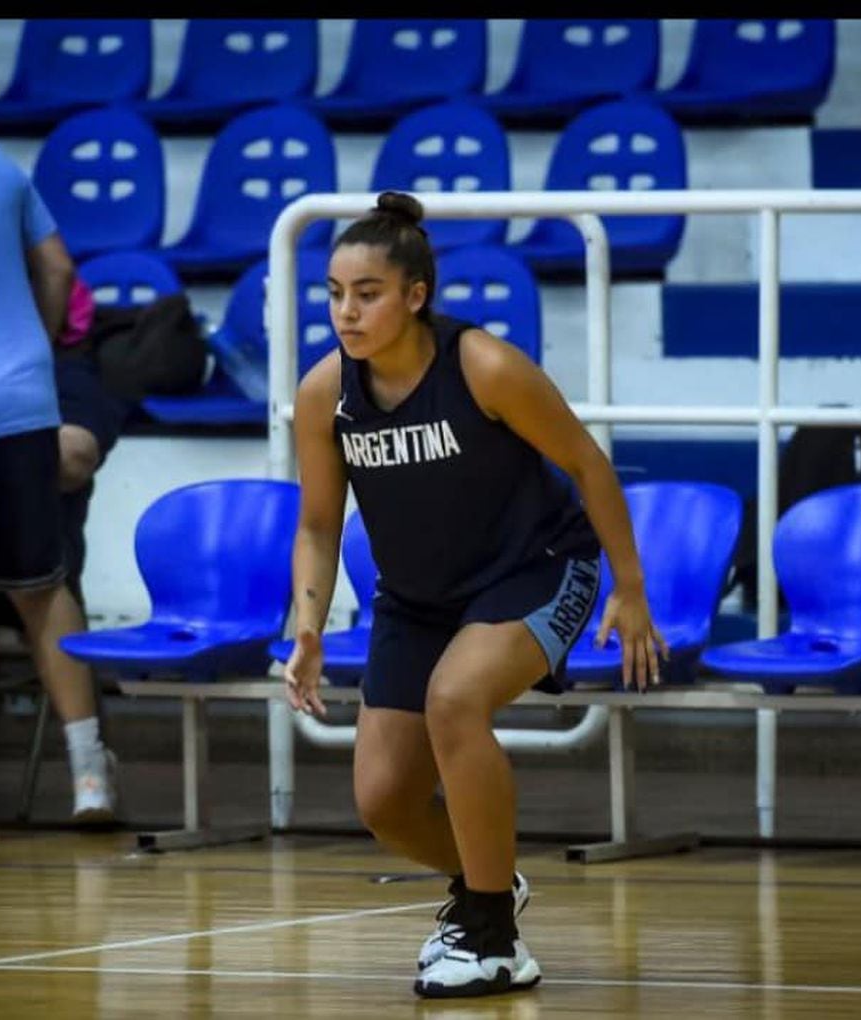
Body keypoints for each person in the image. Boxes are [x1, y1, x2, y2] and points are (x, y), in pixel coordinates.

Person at [282, 191, 667, 1000]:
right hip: (417, 598)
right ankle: (487, 881)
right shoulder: (325, 395)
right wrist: (307, 625)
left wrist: (629, 591)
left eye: (367, 293)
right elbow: (318, 526)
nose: (346, 312)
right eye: (334, 294)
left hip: (539, 568)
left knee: (454, 700)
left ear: (415, 296)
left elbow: (589, 467)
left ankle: (492, 939)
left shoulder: (482, 366)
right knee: (383, 801)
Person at [0, 131, 119, 842]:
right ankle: (90, 774)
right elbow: (58, 267)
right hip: (24, 401)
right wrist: (30, 353)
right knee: (42, 589)